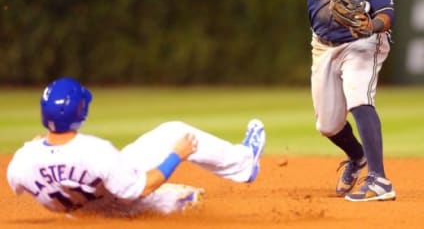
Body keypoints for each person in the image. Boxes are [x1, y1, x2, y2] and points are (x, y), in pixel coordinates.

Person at [276, 0, 396, 202]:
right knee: (328, 125)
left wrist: (373, 26)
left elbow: (387, 14)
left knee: (358, 96)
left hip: (362, 42)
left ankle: (380, 180)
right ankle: (358, 158)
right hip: (324, 45)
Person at [7, 77, 266, 217]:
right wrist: (177, 155)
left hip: (81, 215)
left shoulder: (22, 161)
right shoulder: (94, 151)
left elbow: (20, 182)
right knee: (175, 132)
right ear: (80, 112)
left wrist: (38, 148)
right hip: (119, 201)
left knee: (181, 198)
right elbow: (142, 187)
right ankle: (243, 164)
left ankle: (176, 203)